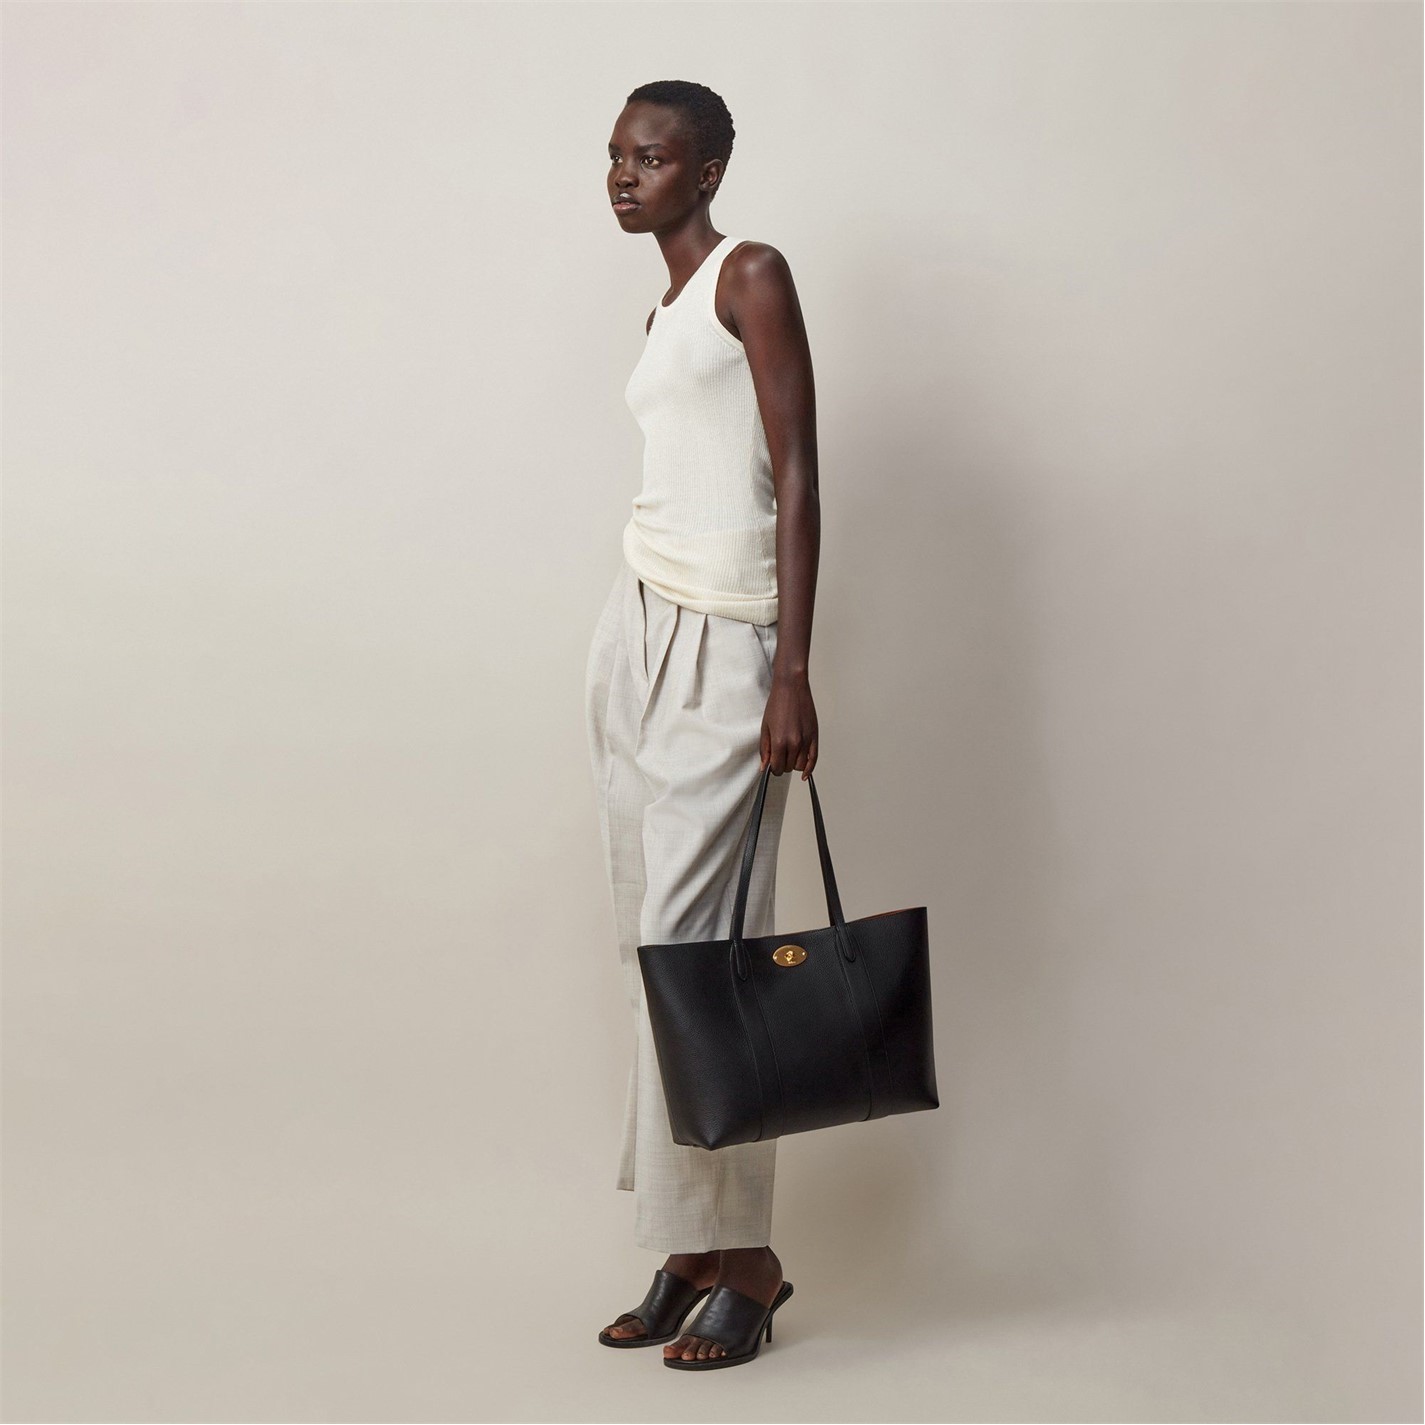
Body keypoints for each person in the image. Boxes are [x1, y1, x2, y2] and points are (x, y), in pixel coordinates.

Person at [584, 79, 821, 1370]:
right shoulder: (661, 308)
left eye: (653, 157)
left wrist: (793, 670)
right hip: (638, 625)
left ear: (709, 169)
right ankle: (690, 1244)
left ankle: (750, 1259)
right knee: (651, 944)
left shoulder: (751, 275)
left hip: (732, 638)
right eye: (618, 157)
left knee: (706, 952)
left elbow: (798, 475)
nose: (626, 177)